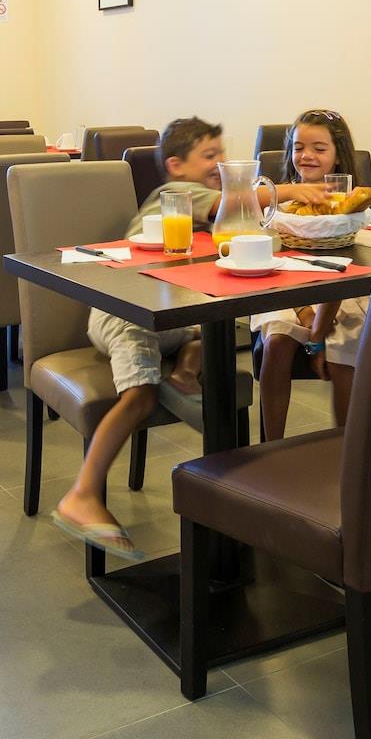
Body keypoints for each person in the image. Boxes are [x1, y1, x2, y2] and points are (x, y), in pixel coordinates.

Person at [50, 116, 224, 559]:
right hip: (124, 315)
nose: (219, 163)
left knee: (214, 329)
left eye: (221, 154)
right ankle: (82, 494)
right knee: (140, 396)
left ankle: (183, 376)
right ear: (176, 166)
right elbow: (235, 202)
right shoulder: (176, 195)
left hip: (165, 316)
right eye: (209, 155)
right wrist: (291, 191)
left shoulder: (201, 201)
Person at [255, 109, 367, 439]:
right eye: (299, 147)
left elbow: (344, 272)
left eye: (319, 148)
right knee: (278, 337)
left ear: (338, 154)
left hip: (338, 292)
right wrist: (305, 312)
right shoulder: (280, 199)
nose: (307, 155)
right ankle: (272, 446)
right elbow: (241, 198)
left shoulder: (349, 206)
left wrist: (318, 334)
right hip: (280, 288)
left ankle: (344, 448)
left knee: (348, 339)